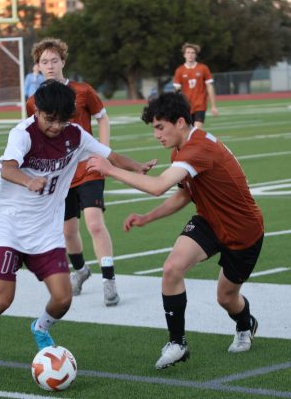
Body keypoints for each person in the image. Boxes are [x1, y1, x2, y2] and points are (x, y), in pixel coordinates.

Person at [0, 80, 155, 378]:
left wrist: (136, 166)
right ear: (37, 110)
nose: (54, 126)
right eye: (49, 119)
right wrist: (28, 181)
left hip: (45, 228)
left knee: (63, 298)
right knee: (3, 299)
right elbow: (7, 167)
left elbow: (109, 156)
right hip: (8, 225)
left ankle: (40, 329)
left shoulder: (75, 134)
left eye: (61, 120)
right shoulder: (23, 133)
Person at [86, 92, 264, 370]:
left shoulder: (198, 148)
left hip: (242, 229)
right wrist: (148, 217)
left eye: (160, 127)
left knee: (226, 297)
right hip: (208, 220)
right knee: (171, 268)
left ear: (180, 122)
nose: (156, 134)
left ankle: (245, 323)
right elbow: (184, 195)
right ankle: (177, 343)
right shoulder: (182, 149)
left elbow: (158, 186)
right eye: (154, 128)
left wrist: (110, 170)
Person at [26, 38, 119, 306]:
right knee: (67, 232)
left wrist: (102, 150)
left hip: (89, 167)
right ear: (38, 66)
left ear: (63, 62)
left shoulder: (82, 90)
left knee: (94, 223)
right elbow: (35, 136)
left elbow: (103, 118)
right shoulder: (35, 101)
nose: (50, 66)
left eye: (55, 60)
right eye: (45, 61)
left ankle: (109, 281)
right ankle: (80, 270)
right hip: (60, 174)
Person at [172, 43, 218, 129]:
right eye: (188, 52)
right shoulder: (179, 70)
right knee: (188, 132)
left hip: (200, 105)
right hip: (186, 106)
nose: (190, 55)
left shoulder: (203, 68)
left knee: (196, 130)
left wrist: (213, 106)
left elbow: (209, 86)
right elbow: (177, 91)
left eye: (193, 53)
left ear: (196, 55)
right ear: (184, 55)